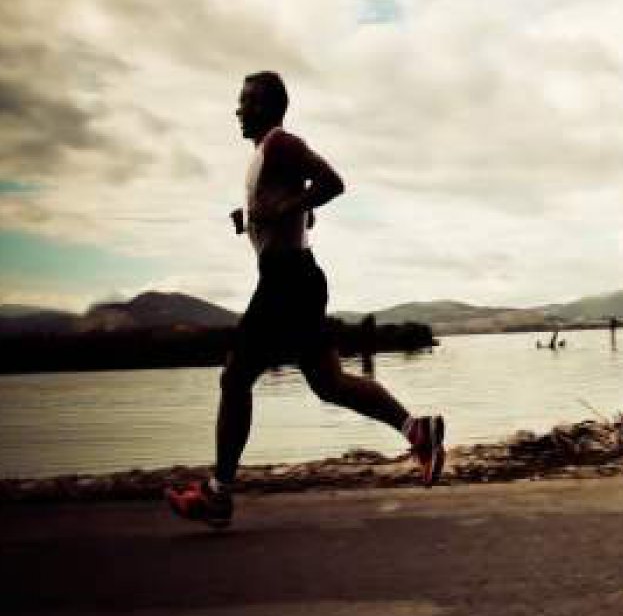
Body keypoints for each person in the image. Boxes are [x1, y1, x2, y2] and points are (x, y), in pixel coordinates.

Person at [166, 72, 445, 528]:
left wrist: (283, 208)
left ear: (266, 106)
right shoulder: (265, 154)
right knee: (328, 384)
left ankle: (218, 494)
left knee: (236, 378)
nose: (238, 110)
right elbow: (303, 210)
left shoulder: (281, 143)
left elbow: (332, 182)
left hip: (287, 281)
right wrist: (253, 217)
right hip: (295, 279)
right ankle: (418, 431)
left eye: (245, 101)